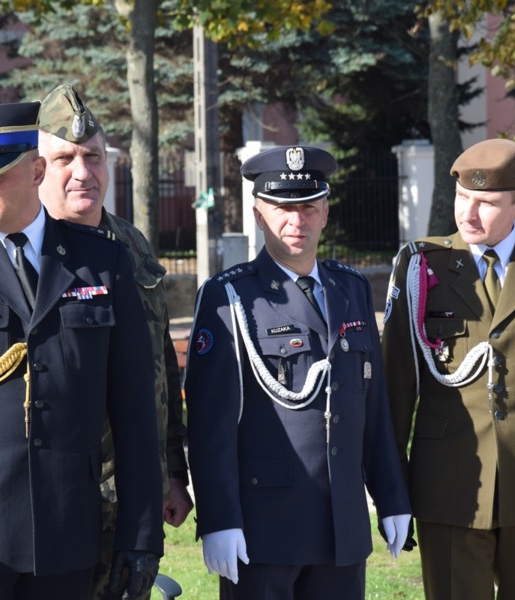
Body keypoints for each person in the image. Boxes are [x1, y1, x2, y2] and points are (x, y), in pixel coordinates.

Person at [0, 101, 164, 600]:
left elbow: (135, 413)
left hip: (68, 532)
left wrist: (140, 537)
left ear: (35, 171)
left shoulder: (102, 262)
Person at [184, 145, 411, 600]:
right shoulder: (230, 297)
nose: (296, 221)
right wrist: (219, 519)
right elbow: (211, 425)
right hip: (264, 529)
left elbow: (372, 407)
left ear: (325, 212)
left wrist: (391, 497)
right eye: (282, 209)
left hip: (342, 526)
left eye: (308, 208)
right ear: (258, 215)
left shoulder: (351, 288)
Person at [36, 85, 193, 598]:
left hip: (135, 494)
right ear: (36, 169)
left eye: (94, 157)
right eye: (65, 159)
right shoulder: (28, 254)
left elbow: (160, 363)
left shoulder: (131, 244)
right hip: (65, 499)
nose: (83, 172)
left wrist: (172, 471)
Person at [381, 138, 515, 599]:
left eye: (487, 203)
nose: (468, 214)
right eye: (462, 197)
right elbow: (396, 388)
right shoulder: (421, 267)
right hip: (450, 486)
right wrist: (391, 492)